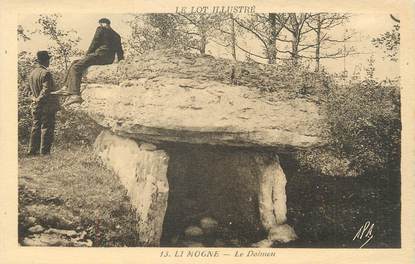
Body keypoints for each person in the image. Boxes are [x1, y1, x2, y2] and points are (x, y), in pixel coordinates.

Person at [52, 18, 124, 106]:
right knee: (74, 62)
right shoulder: (117, 35)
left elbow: (94, 43)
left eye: (101, 24)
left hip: (99, 55)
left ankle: (75, 94)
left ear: (102, 23)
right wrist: (121, 62)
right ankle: (65, 87)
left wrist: (87, 55)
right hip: (108, 59)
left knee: (76, 67)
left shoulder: (101, 29)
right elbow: (120, 52)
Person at [27, 51, 60, 156]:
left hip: (35, 105)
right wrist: (38, 99)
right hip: (46, 106)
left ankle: (32, 151)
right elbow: (46, 91)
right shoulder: (46, 73)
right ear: (45, 61)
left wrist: (34, 99)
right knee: (46, 127)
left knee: (36, 127)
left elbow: (27, 91)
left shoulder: (32, 73)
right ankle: (44, 152)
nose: (49, 62)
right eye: (48, 60)